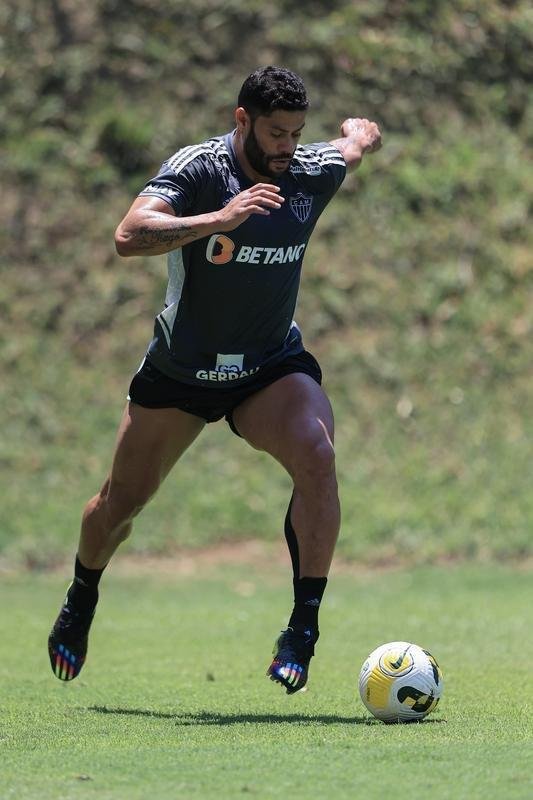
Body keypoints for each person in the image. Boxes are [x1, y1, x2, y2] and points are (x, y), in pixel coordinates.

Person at [48, 66, 381, 693]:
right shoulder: (200, 171)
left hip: (268, 367)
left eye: (296, 133)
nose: (287, 146)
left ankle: (302, 629)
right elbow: (128, 236)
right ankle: (82, 593)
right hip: (182, 370)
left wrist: (359, 135)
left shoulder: (308, 172)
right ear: (241, 120)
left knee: (317, 454)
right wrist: (218, 220)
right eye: (276, 132)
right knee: (119, 506)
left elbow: (350, 150)